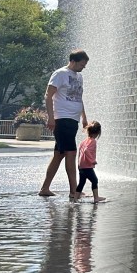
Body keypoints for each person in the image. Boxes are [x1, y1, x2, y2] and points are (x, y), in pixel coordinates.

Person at [39, 50, 89, 199]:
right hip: (62, 118)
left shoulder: (79, 77)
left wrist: (84, 117)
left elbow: (78, 98)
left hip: (73, 120)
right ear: (73, 61)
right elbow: (48, 96)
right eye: (81, 64)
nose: (83, 67)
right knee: (71, 153)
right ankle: (74, 191)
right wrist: (51, 117)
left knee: (59, 155)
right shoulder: (60, 74)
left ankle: (45, 188)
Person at [75, 122, 106, 204]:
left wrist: (79, 164)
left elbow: (80, 152)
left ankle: (75, 198)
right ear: (98, 132)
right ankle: (96, 198)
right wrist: (92, 160)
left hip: (81, 166)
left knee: (81, 183)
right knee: (95, 180)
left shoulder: (84, 141)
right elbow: (86, 151)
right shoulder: (93, 141)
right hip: (87, 166)